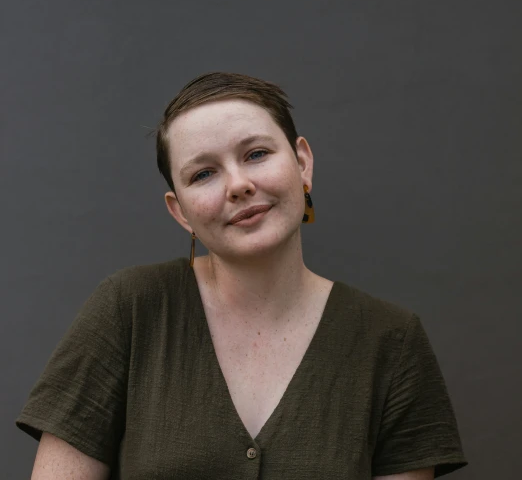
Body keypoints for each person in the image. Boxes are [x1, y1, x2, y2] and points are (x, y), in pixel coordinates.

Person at [16, 71, 468, 479]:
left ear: (302, 163)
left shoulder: (390, 340)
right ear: (181, 212)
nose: (238, 185)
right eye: (204, 173)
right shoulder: (129, 309)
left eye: (255, 153)